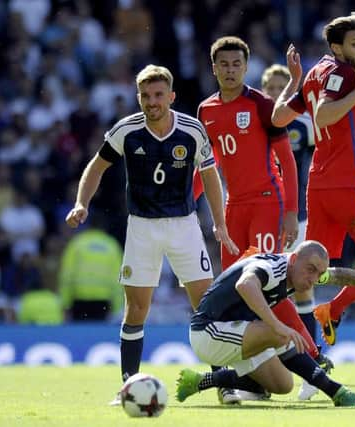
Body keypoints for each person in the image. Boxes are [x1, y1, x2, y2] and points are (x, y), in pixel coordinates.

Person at [64, 64, 238, 405]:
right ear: (138, 97)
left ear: (171, 96)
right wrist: (81, 203)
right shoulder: (126, 130)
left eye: (158, 95)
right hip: (142, 227)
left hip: (184, 225)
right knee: (136, 309)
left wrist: (219, 222)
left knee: (206, 306)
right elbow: (97, 166)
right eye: (145, 95)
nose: (151, 101)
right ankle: (129, 386)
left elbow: (211, 175)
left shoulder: (192, 130)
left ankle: (224, 382)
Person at [195, 36, 323, 403]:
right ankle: (239, 377)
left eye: (237, 64)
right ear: (213, 67)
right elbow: (210, 164)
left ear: (245, 67)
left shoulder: (262, 105)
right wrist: (193, 198)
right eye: (224, 64)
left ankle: (314, 361)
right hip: (233, 209)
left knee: (267, 286)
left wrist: (290, 213)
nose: (230, 70)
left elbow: (287, 160)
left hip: (267, 204)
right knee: (231, 292)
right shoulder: (206, 111)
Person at [272, 12, 355, 346]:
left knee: (309, 273)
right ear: (336, 46)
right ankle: (332, 310)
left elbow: (278, 117)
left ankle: (262, 309)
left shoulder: (316, 72)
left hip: (317, 185)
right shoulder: (344, 74)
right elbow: (324, 114)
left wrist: (294, 80)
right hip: (347, 185)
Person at [175, 240, 355, 406]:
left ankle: (200, 381)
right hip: (208, 333)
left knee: (282, 385)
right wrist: (278, 326)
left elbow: (341, 274)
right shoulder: (272, 267)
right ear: (294, 259)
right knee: (280, 334)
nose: (313, 279)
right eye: (310, 270)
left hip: (237, 332)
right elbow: (245, 285)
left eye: (317, 274)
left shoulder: (301, 271)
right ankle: (337, 392)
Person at [261, 64, 320, 400]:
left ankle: (312, 368)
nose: (278, 92)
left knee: (302, 290)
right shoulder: (253, 121)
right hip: (259, 213)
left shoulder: (303, 124)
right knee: (265, 290)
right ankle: (263, 374)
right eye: (272, 86)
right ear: (264, 88)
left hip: (294, 215)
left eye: (285, 86)